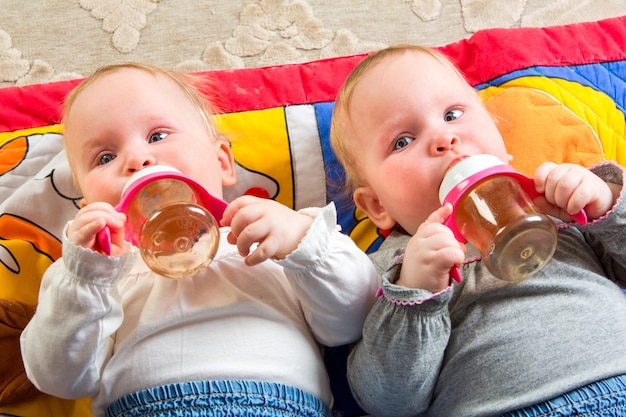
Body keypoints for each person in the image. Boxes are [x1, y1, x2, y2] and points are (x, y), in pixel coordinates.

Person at [20, 62, 379, 417]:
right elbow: (59, 379)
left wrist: (304, 241)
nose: (137, 159)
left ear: (222, 162)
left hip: (283, 405)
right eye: (105, 157)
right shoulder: (95, 275)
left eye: (157, 136)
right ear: (88, 205)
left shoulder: (272, 233)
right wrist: (85, 274)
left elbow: (354, 318)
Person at [329, 45, 626, 417]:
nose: (444, 138)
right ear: (378, 207)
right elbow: (387, 399)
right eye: (402, 141)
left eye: (453, 114)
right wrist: (416, 293)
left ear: (503, 146)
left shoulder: (560, 204)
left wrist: (606, 200)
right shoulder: (396, 268)